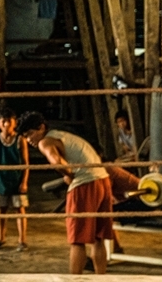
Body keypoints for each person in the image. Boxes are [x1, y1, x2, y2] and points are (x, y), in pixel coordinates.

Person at [18, 111, 113, 275]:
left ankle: (74, 279)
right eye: (25, 136)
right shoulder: (62, 135)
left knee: (77, 240)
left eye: (31, 134)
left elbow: (57, 162)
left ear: (41, 128)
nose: (29, 140)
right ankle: (101, 277)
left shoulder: (45, 142)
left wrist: (68, 174)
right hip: (103, 180)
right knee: (98, 238)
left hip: (84, 183)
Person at [0, 107, 29, 251]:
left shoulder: (20, 140)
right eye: (3, 121)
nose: (6, 125)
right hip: (0, 180)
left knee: (20, 210)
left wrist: (24, 182)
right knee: (1, 210)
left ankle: (22, 241)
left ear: (15, 123)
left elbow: (25, 163)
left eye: (9, 121)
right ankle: (1, 238)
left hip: (16, 180)